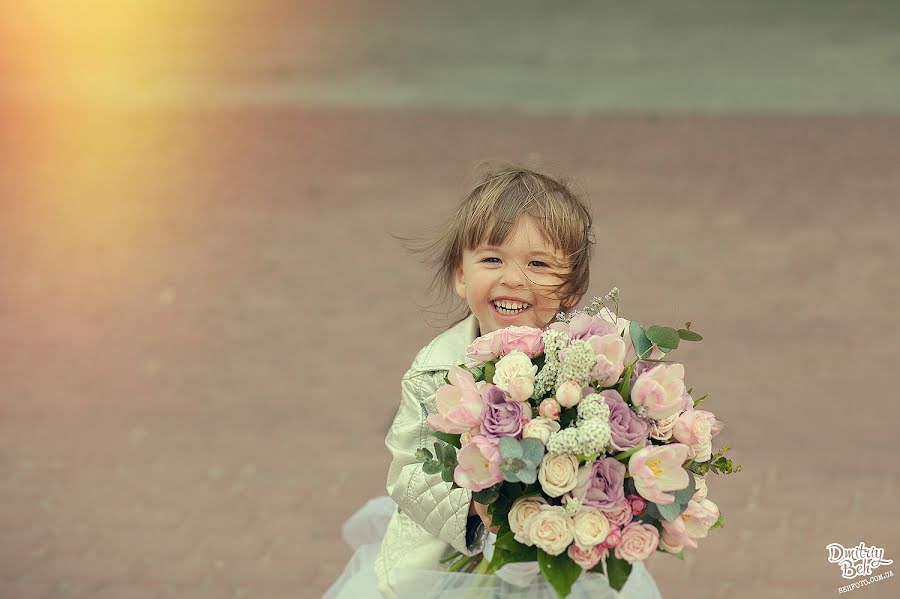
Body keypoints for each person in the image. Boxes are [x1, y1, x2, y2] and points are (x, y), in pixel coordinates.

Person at [323, 164, 662, 598]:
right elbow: (410, 469)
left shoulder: (592, 360)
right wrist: (476, 507)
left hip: (562, 553)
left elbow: (620, 443)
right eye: (491, 260)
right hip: (450, 563)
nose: (513, 278)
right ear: (462, 277)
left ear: (571, 289)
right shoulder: (437, 369)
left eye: (538, 263)